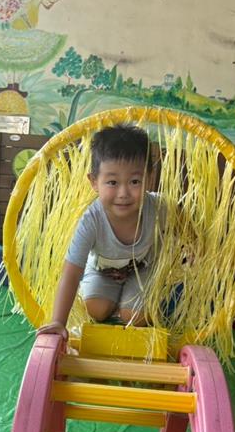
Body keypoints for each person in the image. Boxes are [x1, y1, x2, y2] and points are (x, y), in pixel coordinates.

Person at [38, 124, 165, 339]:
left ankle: (126, 302)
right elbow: (71, 273)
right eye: (112, 182)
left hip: (142, 271)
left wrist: (193, 246)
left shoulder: (158, 207)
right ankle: (112, 297)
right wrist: (58, 322)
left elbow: (182, 219)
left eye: (135, 181)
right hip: (102, 271)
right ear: (94, 182)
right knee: (96, 310)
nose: (123, 193)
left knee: (134, 318)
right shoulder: (91, 220)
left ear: (150, 179)